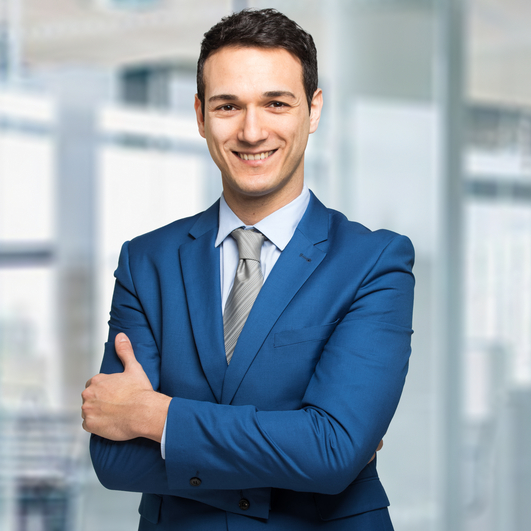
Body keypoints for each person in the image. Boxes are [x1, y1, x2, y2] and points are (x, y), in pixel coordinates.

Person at [80, 8, 414, 530]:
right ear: (200, 115)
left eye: (275, 104)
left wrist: (154, 417)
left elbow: (332, 452)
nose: (252, 130)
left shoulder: (373, 263)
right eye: (228, 106)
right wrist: (296, 452)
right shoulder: (147, 262)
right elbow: (115, 458)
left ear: (314, 109)